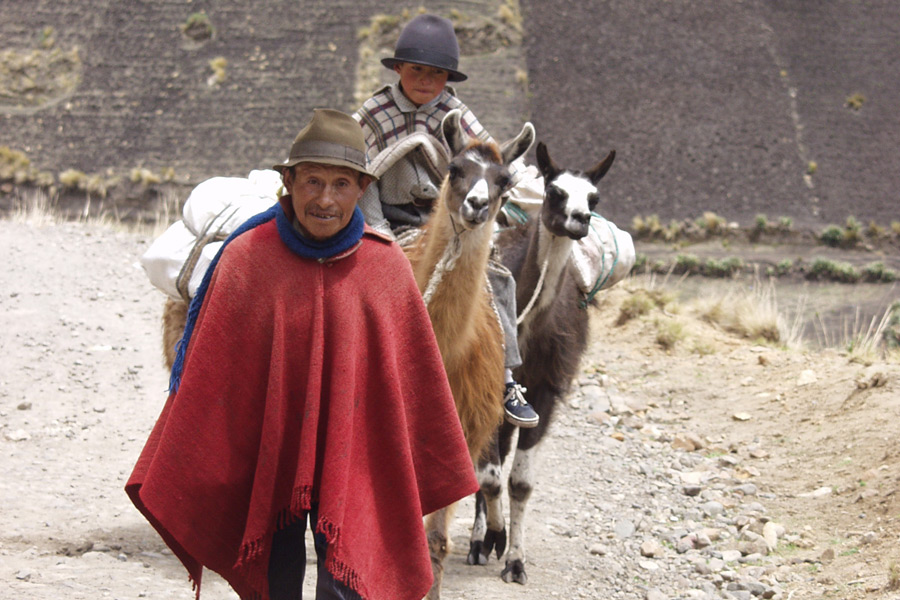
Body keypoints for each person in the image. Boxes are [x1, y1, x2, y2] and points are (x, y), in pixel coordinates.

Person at [126, 109, 479, 600]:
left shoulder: (383, 268)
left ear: (361, 188)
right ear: (287, 181)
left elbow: (411, 390)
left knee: (346, 577)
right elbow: (214, 383)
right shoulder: (247, 258)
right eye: (312, 181)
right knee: (273, 576)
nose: (326, 199)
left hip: (353, 453)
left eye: (341, 184)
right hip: (266, 455)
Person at [353, 13, 540, 428]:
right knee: (362, 279)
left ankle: (507, 376)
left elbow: (485, 156)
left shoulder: (454, 111)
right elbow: (359, 171)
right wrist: (377, 230)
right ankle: (349, 372)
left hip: (444, 216)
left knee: (496, 279)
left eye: (436, 74)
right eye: (416, 70)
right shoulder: (374, 113)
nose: (425, 80)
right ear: (398, 69)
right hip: (388, 215)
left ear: (447, 78)